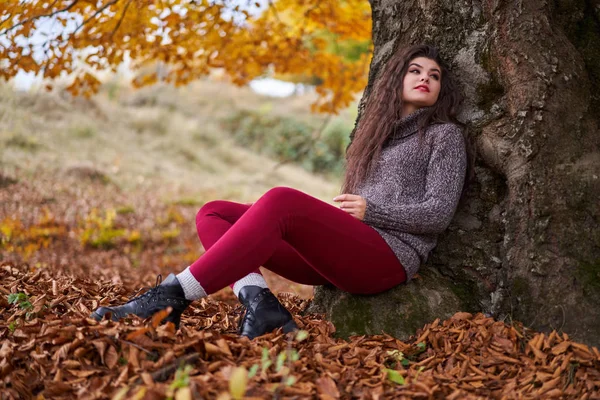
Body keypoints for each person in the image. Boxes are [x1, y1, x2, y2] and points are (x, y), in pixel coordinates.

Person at [91, 44, 469, 340]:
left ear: (440, 89)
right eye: (415, 71)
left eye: (434, 76)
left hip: (388, 258)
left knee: (281, 201)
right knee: (214, 212)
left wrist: (372, 213)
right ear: (396, 80)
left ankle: (173, 295)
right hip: (347, 250)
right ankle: (260, 303)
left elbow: (438, 214)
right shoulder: (375, 138)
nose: (425, 79)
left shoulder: (444, 136)